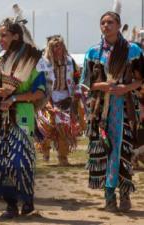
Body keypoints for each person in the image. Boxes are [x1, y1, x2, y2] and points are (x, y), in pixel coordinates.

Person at [80, 11, 144, 212]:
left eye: (110, 22)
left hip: (126, 110)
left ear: (118, 25)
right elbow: (85, 83)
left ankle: (124, 195)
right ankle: (109, 198)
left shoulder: (133, 50)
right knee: (106, 151)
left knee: (123, 151)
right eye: (103, 22)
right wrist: (102, 86)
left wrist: (125, 88)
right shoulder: (93, 52)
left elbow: (141, 79)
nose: (106, 25)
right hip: (101, 112)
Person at [0, 18, 46, 218]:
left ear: (16, 36)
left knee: (19, 159)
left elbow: (40, 92)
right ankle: (10, 206)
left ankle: (27, 199)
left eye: (4, 35)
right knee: (0, 160)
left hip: (21, 115)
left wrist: (15, 97)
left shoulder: (32, 60)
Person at [36, 35, 81, 165]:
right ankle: (45, 148)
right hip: (47, 97)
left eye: (60, 45)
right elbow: (39, 81)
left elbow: (76, 77)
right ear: (50, 48)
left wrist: (76, 95)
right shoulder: (44, 62)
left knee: (65, 126)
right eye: (55, 46)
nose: (58, 48)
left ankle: (63, 156)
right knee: (47, 125)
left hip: (66, 97)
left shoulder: (69, 61)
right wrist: (46, 100)